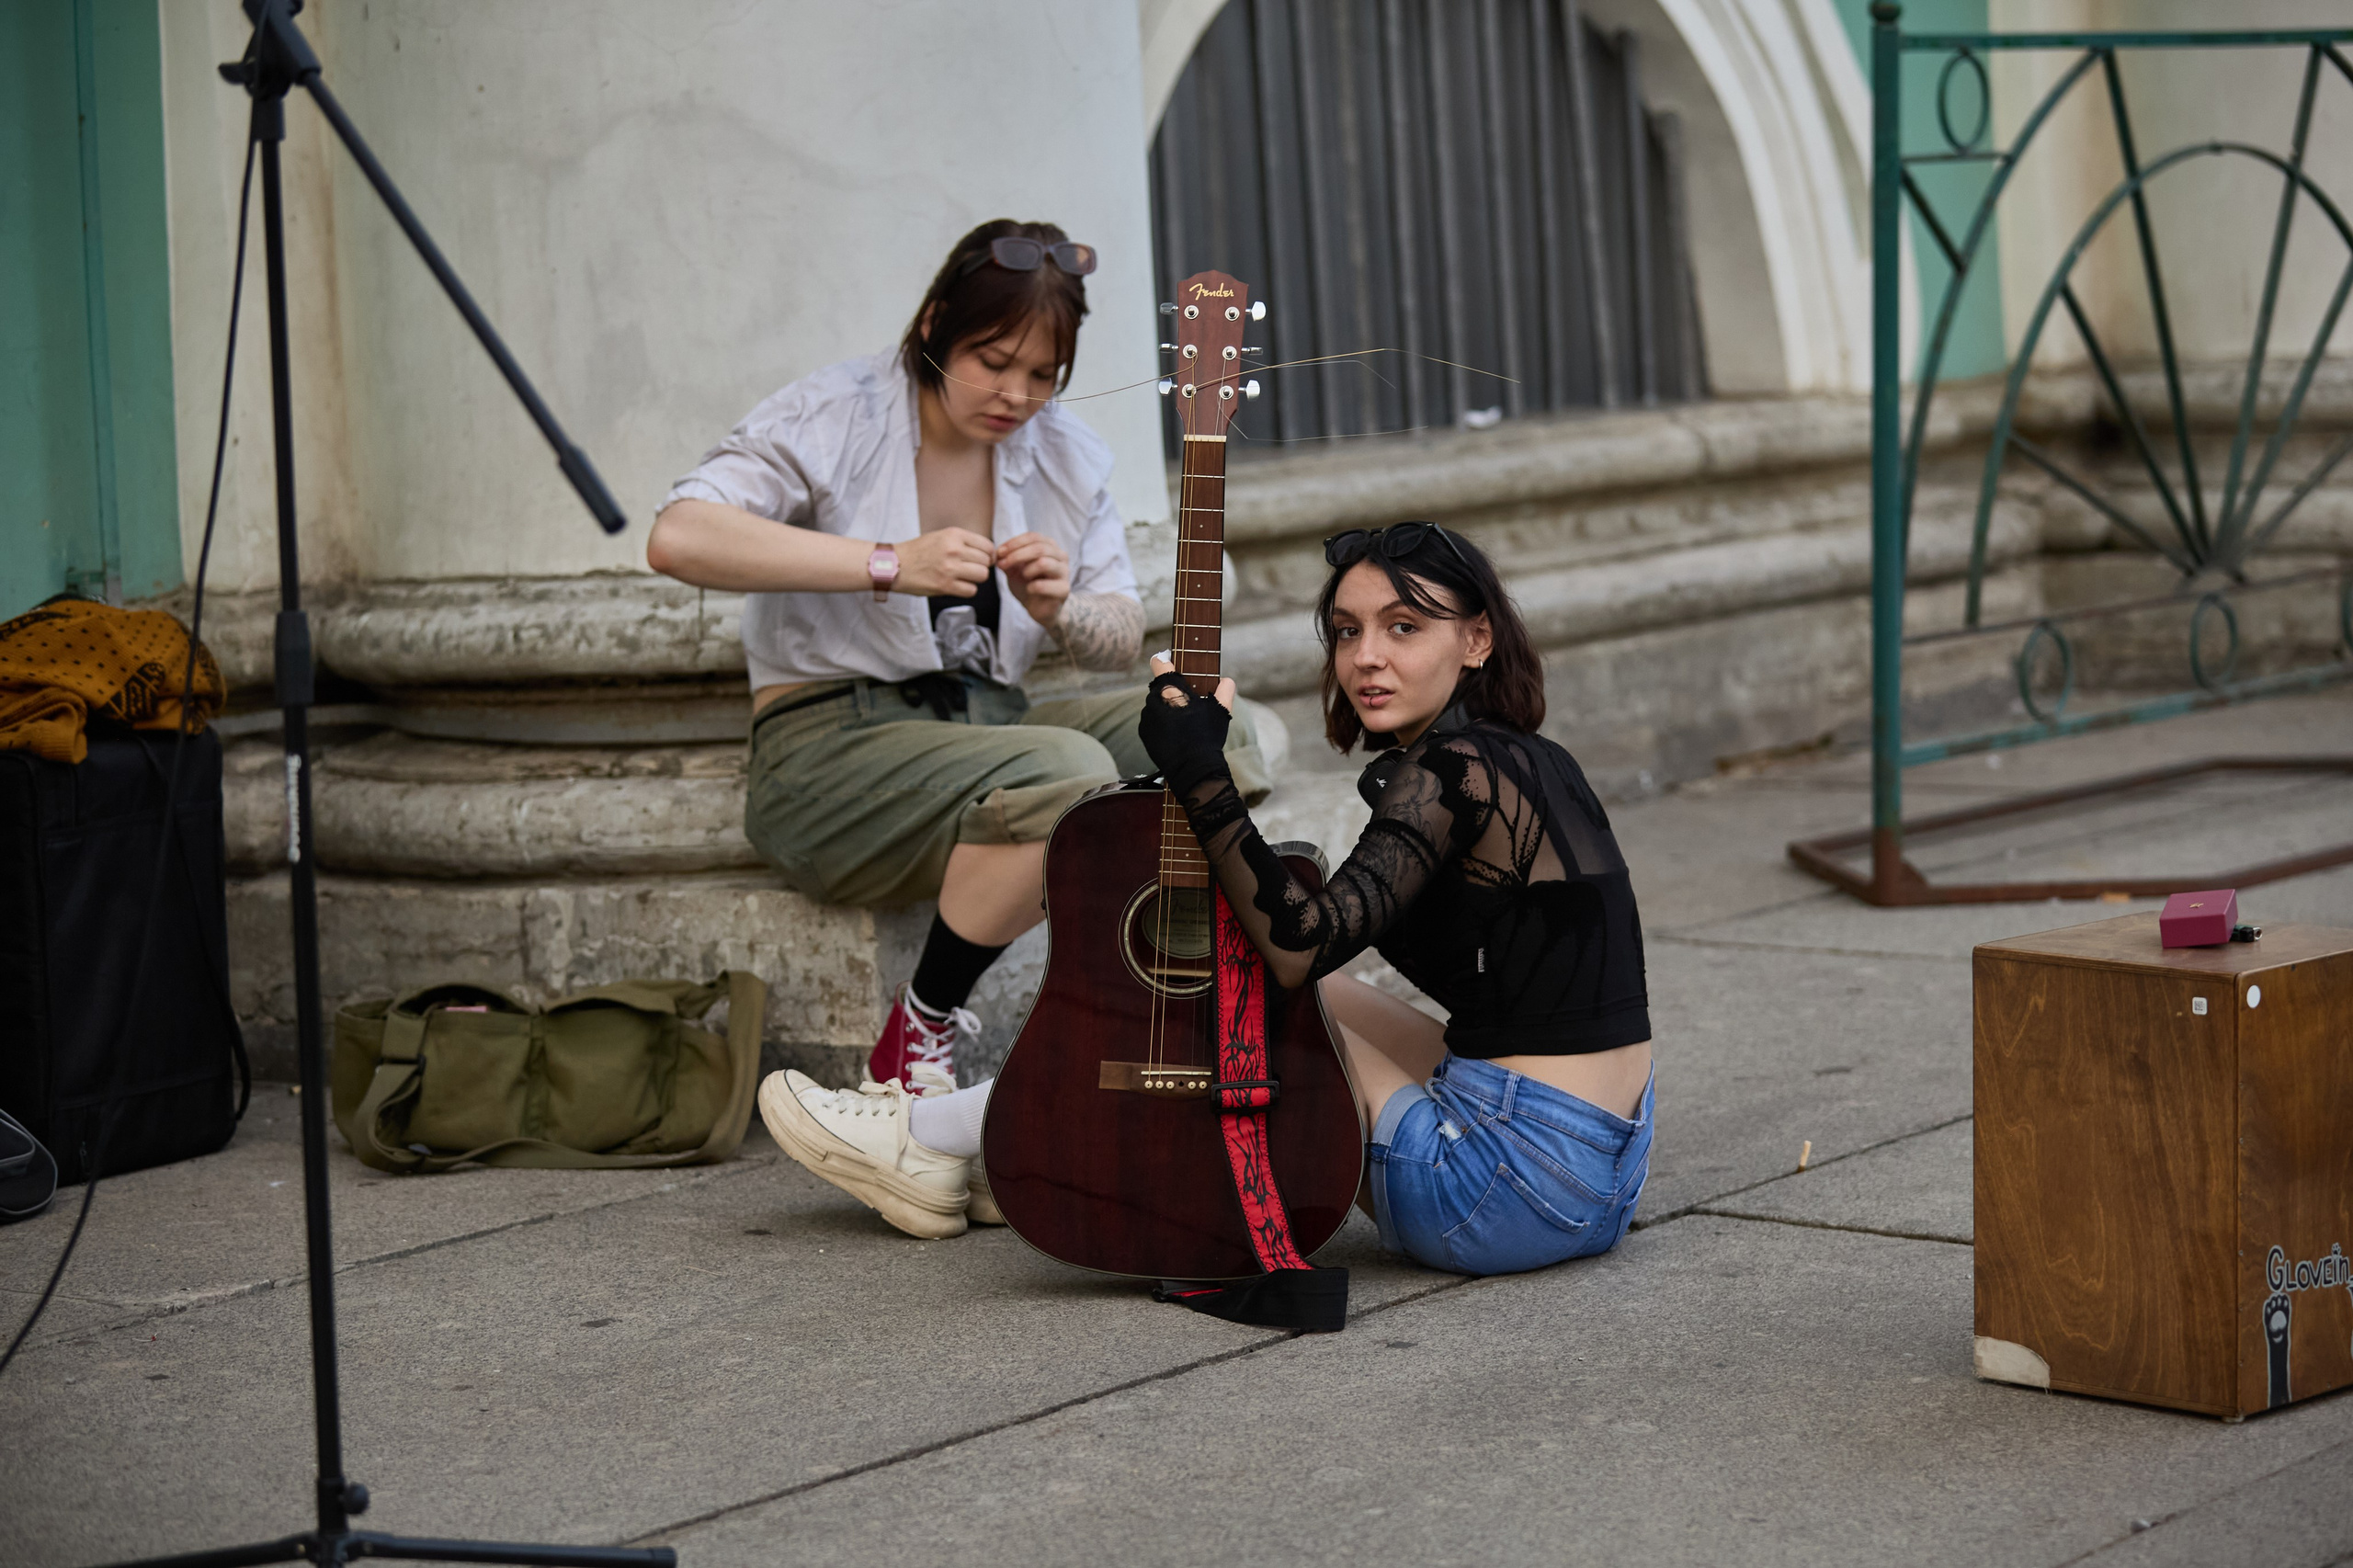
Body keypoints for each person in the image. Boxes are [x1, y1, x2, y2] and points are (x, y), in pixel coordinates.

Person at [764, 522, 1654, 1278]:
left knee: (1246, 993)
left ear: (1478, 639)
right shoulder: (1525, 759)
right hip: (1603, 1169)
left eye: (1404, 625)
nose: (1366, 656)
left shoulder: (1453, 773)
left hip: (1497, 1190)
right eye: (1345, 631)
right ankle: (1006, 1135)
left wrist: (1199, 771)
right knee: (1259, 977)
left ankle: (927, 1134)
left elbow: (1299, 943)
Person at [646, 219, 1273, 1112]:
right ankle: (919, 1028)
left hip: (987, 732)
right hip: (829, 752)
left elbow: (1118, 634)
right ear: (937, 322)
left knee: (1233, 732)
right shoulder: (836, 413)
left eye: (1041, 374)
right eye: (991, 359)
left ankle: (1150, 988)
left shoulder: (1064, 453)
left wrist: (1063, 608)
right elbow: (677, 538)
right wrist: (886, 562)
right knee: (1067, 770)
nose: (1014, 393)